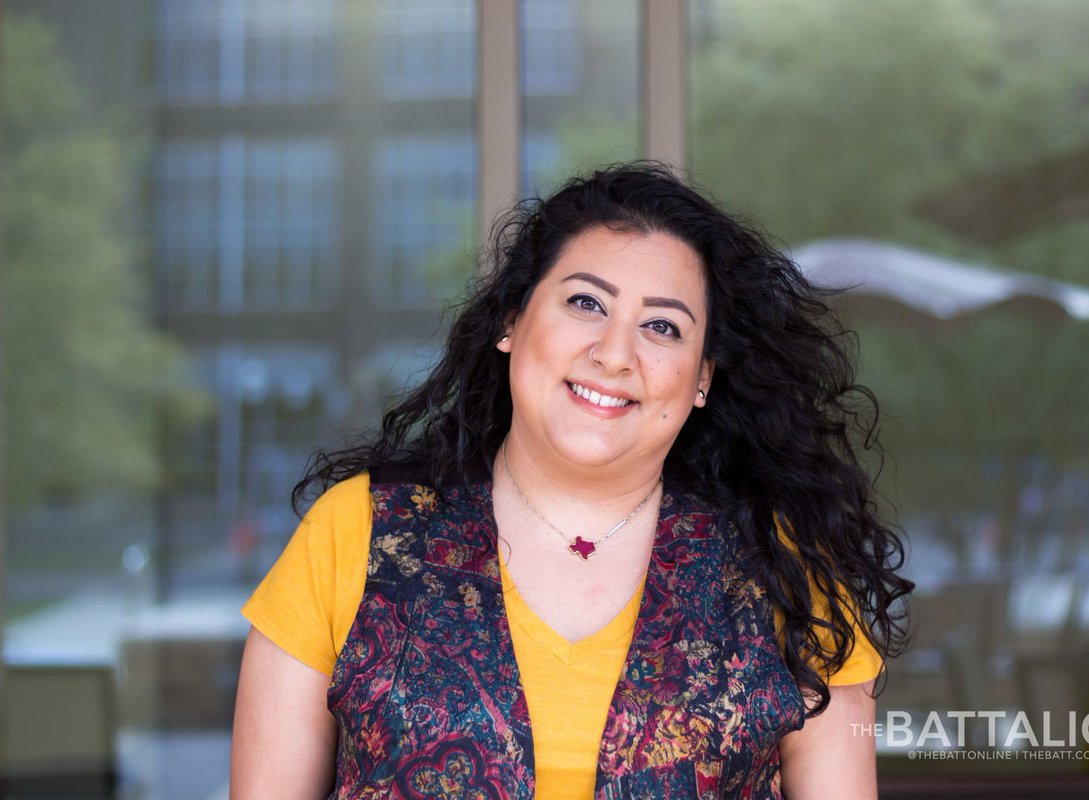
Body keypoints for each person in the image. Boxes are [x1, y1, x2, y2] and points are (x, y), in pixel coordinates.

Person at [231, 163, 912, 799]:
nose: (615, 353)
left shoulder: (784, 565)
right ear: (511, 319)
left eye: (662, 327)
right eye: (587, 303)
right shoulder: (358, 530)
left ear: (702, 377)